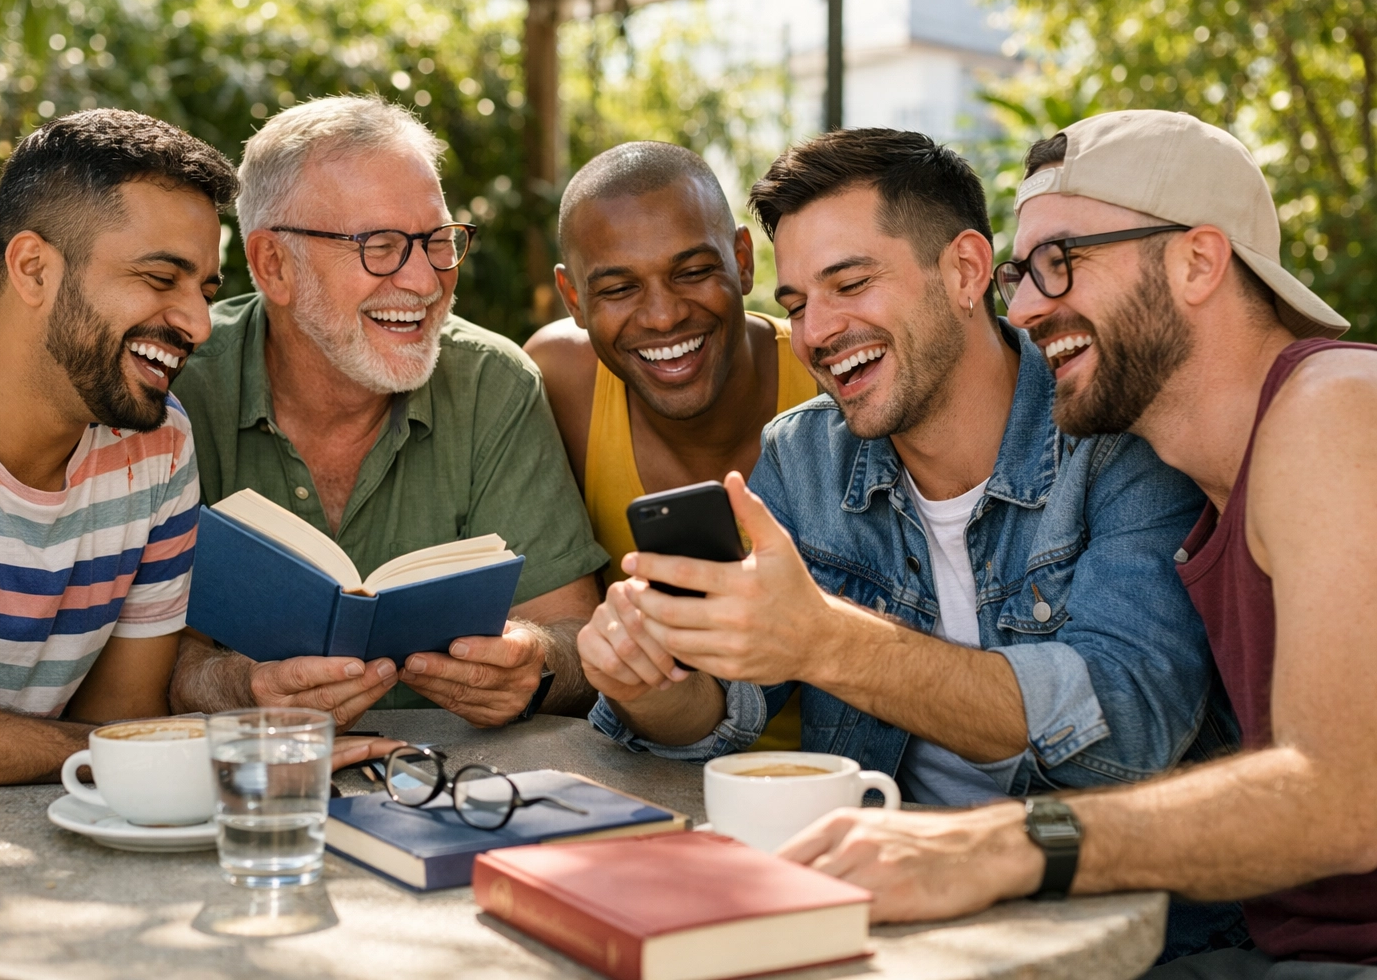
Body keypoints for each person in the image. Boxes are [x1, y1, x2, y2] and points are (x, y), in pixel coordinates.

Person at [578, 128, 1242, 955]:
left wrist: (828, 641)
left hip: (1124, 941)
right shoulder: (804, 456)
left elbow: (1129, 726)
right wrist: (649, 682)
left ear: (965, 271)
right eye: (796, 304)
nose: (816, 333)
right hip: (885, 919)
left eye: (850, 283)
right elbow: (729, 705)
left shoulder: (1113, 432)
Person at [774, 111, 1377, 978]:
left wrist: (1001, 844)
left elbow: (1343, 801)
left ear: (1198, 262)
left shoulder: (1332, 409)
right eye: (1021, 274)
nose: (1022, 309)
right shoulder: (1212, 482)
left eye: (1061, 262)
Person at [0, 110, 248, 816]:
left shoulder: (157, 445)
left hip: (31, 844)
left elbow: (119, 719)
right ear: (33, 268)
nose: (198, 323)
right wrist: (99, 751)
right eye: (161, 278)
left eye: (206, 292)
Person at [169, 96, 606, 729]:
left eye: (438, 241)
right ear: (273, 265)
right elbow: (134, 658)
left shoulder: (491, 383)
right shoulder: (180, 388)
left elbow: (574, 633)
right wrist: (234, 687)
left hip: (455, 774)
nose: (426, 283)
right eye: (380, 246)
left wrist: (533, 663)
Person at [524, 141, 816, 749]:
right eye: (618, 288)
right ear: (574, 299)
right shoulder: (562, 381)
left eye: (692, 272)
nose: (662, 317)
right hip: (644, 763)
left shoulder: (827, 376)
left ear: (742, 261)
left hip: (836, 774)